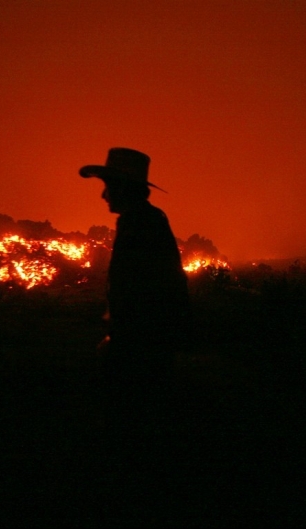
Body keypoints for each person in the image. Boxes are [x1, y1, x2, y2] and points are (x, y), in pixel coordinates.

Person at [80, 147, 190, 427]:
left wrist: (122, 343)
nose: (103, 195)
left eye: (108, 186)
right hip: (145, 347)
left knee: (134, 422)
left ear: (123, 188)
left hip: (141, 351)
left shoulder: (142, 225)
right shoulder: (143, 221)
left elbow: (141, 292)